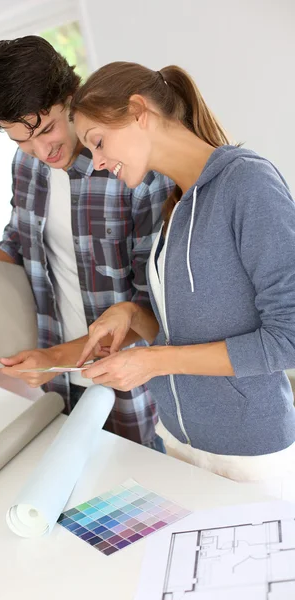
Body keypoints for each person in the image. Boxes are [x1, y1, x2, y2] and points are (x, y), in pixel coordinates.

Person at [70, 61, 295, 493]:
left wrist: (153, 362)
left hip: (249, 458)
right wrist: (133, 317)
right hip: (178, 444)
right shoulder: (174, 207)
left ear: (139, 111)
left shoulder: (247, 183)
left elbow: (289, 337)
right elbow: (185, 334)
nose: (96, 163)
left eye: (97, 142)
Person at [0, 38, 172, 450]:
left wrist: (54, 358)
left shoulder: (133, 171)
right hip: (59, 384)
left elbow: (150, 309)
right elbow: (18, 245)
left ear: (72, 97)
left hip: (133, 387)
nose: (40, 151)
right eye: (20, 140)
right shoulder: (27, 165)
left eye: (48, 129)